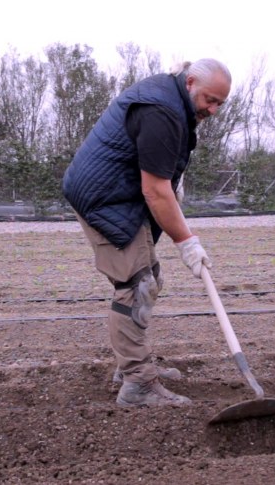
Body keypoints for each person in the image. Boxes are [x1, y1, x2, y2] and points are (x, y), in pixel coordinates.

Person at [62, 58, 232, 407]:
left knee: (149, 278)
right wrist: (187, 243)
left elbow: (158, 173)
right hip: (104, 197)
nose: (213, 110)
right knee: (136, 286)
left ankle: (130, 368)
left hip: (118, 192)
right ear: (189, 83)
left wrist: (173, 183)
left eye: (220, 104)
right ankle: (137, 383)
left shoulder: (172, 101)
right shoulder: (162, 110)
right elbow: (154, 190)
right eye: (209, 100)